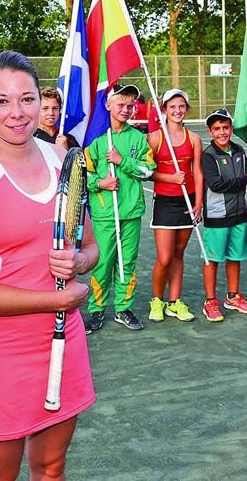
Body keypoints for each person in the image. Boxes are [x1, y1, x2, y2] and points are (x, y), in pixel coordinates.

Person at [0, 51, 98, 479]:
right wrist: (60, 297)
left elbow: (90, 248)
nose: (16, 113)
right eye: (1, 101)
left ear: (42, 101)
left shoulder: (62, 160)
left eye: (27, 99)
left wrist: (78, 261)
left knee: (52, 468)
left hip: (63, 339)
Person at [83, 83, 155, 333]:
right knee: (103, 263)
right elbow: (82, 176)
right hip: (104, 215)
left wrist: (122, 161)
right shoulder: (95, 140)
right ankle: (96, 310)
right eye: (120, 104)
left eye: (129, 105)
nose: (125, 109)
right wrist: (100, 183)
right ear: (108, 105)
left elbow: (148, 170)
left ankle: (123, 308)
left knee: (127, 263)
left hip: (131, 212)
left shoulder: (137, 138)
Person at [147, 88, 204, 323]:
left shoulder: (194, 139)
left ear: (187, 109)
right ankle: (157, 300)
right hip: (165, 202)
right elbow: (147, 172)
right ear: (165, 110)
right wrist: (170, 178)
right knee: (165, 257)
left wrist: (198, 203)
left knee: (179, 253)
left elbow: (198, 173)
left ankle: (174, 301)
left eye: (181, 106)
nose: (177, 111)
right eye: (172, 107)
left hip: (188, 200)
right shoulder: (154, 138)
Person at [200, 109, 247, 322]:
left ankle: (232, 296)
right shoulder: (208, 155)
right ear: (210, 131)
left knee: (235, 257)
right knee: (212, 259)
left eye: (225, 128)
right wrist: (245, 180)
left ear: (231, 128)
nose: (222, 132)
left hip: (239, 215)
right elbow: (216, 184)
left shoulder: (240, 151)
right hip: (217, 217)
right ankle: (210, 301)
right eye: (217, 129)